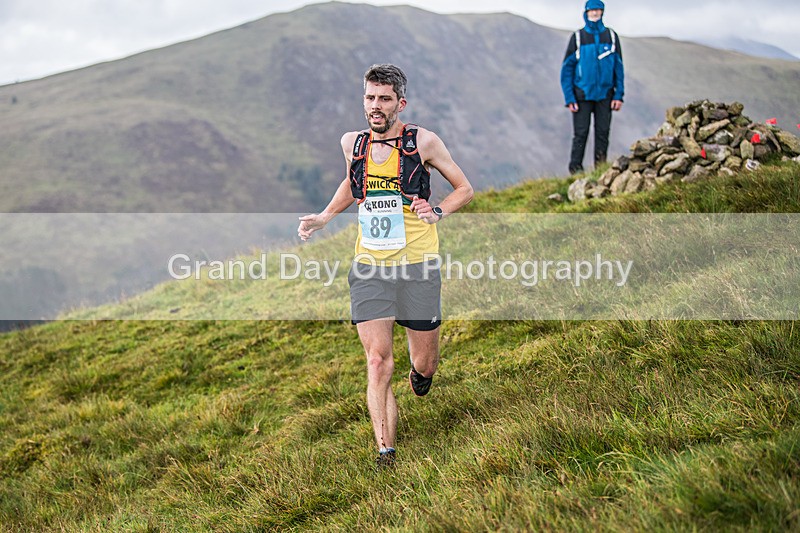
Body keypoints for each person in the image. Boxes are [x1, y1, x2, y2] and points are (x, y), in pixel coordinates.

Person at [297, 64, 473, 468]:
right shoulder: (352, 143)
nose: (375, 107)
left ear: (400, 103)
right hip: (370, 267)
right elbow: (352, 182)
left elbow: (465, 188)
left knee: (423, 361)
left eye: (384, 99)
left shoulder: (423, 143)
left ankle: (422, 375)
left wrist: (438, 210)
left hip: (417, 266)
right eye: (369, 98)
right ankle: (385, 451)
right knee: (377, 360)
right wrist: (325, 217)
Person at [560, 0, 625, 174]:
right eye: (592, 11)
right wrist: (569, 98)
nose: (595, 14)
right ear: (586, 13)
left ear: (602, 12)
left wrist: (619, 95)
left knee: (602, 132)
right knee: (581, 134)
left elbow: (619, 67)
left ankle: (601, 169)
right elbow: (567, 70)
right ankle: (575, 170)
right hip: (582, 95)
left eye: (598, 10)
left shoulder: (611, 37)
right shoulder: (578, 38)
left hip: (605, 94)